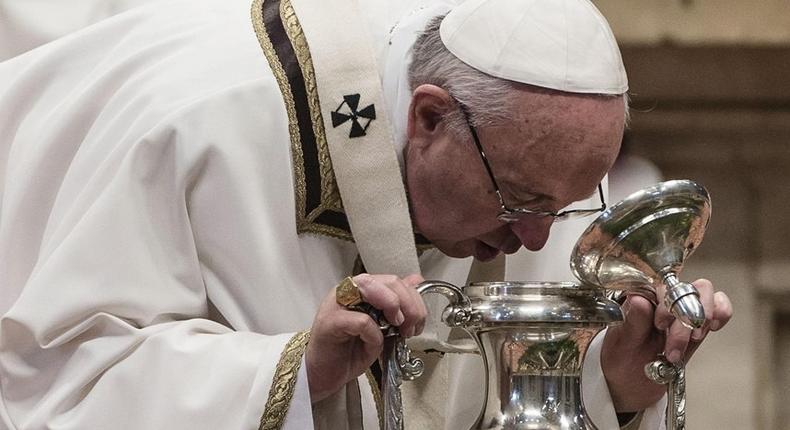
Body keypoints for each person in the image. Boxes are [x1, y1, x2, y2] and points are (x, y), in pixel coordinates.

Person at [0, 0, 732, 429]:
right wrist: (294, 370)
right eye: (522, 201)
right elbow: (51, 380)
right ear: (428, 118)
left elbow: (454, 396)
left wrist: (610, 383)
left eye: (564, 206)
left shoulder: (502, 150)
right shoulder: (194, 129)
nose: (534, 236)